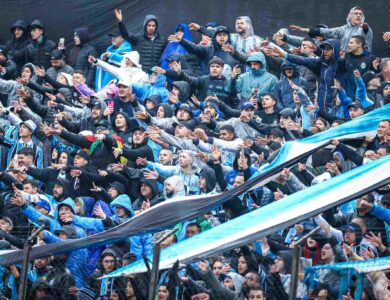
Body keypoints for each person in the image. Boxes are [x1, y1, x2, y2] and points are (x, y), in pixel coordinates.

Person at [290, 6, 373, 52]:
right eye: (356, 13)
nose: (358, 15)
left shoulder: (364, 29)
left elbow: (367, 33)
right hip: (344, 61)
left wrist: (365, 27)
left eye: (360, 14)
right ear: (350, 16)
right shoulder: (344, 29)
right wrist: (302, 30)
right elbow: (327, 32)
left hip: (360, 62)